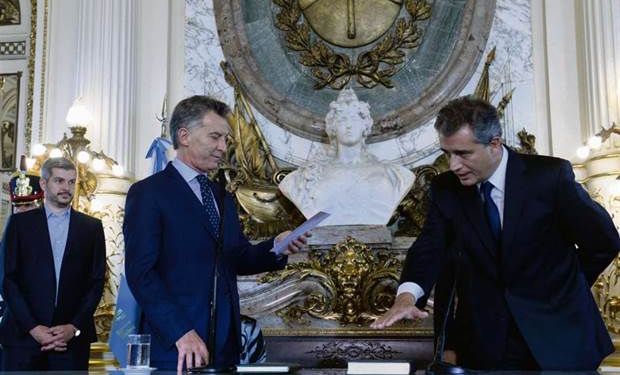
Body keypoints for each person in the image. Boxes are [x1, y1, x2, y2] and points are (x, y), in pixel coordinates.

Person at [371, 96, 620, 371]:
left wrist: (564, 286)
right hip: (487, 347)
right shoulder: (446, 189)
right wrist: (405, 298)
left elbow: (603, 241)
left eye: (463, 154)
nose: (453, 165)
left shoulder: (550, 176)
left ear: (494, 144)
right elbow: (430, 247)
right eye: (447, 153)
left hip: (562, 338)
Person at [124, 95, 307, 372]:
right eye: (215, 137)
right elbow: (142, 273)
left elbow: (237, 257)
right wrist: (180, 331)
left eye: (226, 140)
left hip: (225, 346)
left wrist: (277, 246)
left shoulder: (222, 196)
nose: (223, 147)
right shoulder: (149, 193)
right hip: (176, 347)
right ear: (184, 136)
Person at [0, 157, 106, 370]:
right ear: (43, 183)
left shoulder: (91, 228)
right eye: (59, 180)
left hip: (70, 343)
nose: (66, 187)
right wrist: (33, 328)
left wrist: (73, 327)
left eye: (71, 182)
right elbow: (7, 279)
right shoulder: (19, 224)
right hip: (23, 339)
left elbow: (95, 283)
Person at [279, 89, 414, 226]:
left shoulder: (395, 175)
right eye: (342, 120)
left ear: (365, 126)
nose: (349, 126)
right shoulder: (306, 176)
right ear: (333, 128)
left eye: (354, 119)